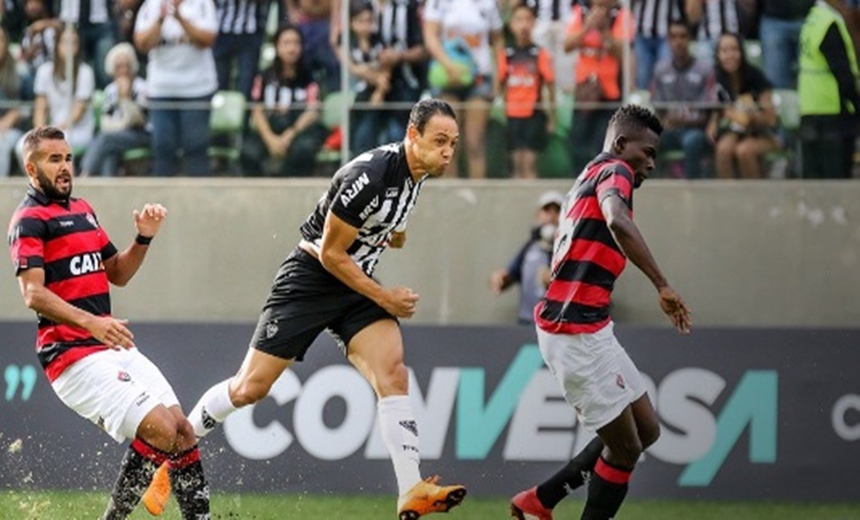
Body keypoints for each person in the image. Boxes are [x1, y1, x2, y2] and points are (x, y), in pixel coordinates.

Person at [145, 98, 467, 519]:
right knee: (249, 388)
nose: (447, 151)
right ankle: (174, 455)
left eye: (453, 143)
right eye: (439, 141)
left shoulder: (417, 174)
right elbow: (331, 254)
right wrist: (385, 297)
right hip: (311, 279)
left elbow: (392, 226)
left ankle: (411, 489)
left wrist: (390, 236)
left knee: (393, 373)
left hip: (355, 284)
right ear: (412, 135)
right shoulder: (368, 176)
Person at [7, 126, 210, 520]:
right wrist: (92, 323)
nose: (66, 167)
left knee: (182, 431)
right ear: (32, 170)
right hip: (71, 355)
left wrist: (143, 238)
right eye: (54, 159)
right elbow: (32, 293)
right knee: (162, 432)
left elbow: (118, 272)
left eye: (67, 158)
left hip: (109, 345)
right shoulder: (28, 219)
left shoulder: (83, 209)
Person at [509, 104, 692, 520]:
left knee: (646, 430)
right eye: (647, 153)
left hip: (590, 324)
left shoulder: (591, 170)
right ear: (621, 144)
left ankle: (542, 499)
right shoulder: (617, 171)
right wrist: (662, 283)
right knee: (625, 448)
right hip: (572, 329)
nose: (650, 164)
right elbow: (617, 220)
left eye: (655, 157)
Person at [134, 0, 218, 177]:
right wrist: (160, 20)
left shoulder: (203, 3)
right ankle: (162, 199)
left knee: (196, 147)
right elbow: (141, 43)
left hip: (197, 88)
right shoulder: (151, 5)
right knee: (163, 147)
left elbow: (208, 39)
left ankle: (201, 199)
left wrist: (180, 18)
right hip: (161, 89)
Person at [423, 0, 504, 178]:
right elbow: (430, 36)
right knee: (447, 142)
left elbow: (498, 41)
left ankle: (478, 199)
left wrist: (498, 82)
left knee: (475, 142)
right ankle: (450, 198)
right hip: (448, 78)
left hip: (479, 76)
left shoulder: (488, 3)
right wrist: (449, 66)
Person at [240, 23, 328, 177]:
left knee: (303, 151)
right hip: (271, 128)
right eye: (286, 43)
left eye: (296, 43)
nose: (291, 48)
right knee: (248, 152)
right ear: (276, 47)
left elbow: (313, 111)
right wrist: (270, 139)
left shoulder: (310, 76)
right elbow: (256, 109)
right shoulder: (264, 76)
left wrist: (290, 134)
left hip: (299, 130)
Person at [564, 0, 636, 174]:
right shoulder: (580, 13)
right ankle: (579, 186)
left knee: (604, 146)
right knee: (578, 144)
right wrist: (587, 27)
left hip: (610, 93)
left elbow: (623, 52)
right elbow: (567, 45)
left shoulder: (621, 16)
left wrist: (604, 30)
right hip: (585, 93)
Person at [15, 25, 95, 167]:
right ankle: (37, 184)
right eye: (65, 42)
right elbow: (40, 106)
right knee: (23, 145)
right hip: (52, 128)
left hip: (76, 130)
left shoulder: (85, 72)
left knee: (55, 146)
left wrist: (54, 131)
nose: (69, 47)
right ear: (57, 45)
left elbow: (78, 111)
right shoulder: (44, 71)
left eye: (74, 42)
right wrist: (40, 131)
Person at [798, 0, 860, 179]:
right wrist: (856, 105)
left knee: (813, 183)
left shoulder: (812, 19)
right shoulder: (829, 24)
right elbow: (842, 72)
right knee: (836, 182)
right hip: (832, 113)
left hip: (810, 109)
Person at [650, 19, 717, 178]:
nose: (678, 42)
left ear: (690, 39)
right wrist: (662, 122)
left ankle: (692, 192)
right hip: (670, 130)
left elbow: (709, 112)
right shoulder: (661, 70)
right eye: (673, 37)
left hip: (696, 130)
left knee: (691, 142)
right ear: (668, 40)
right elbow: (658, 108)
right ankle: (655, 190)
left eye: (683, 36)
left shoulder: (705, 70)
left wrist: (682, 121)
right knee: (648, 141)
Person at [708, 32, 780, 179]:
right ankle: (729, 197)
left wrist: (750, 116)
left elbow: (771, 118)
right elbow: (718, 110)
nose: (730, 55)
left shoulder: (756, 77)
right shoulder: (716, 79)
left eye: (734, 49)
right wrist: (713, 123)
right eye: (724, 51)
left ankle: (754, 199)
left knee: (744, 151)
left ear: (741, 52)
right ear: (718, 55)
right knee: (723, 149)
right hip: (734, 130)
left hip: (765, 132)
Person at [497, 3, 556, 180]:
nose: (523, 25)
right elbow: (500, 85)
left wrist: (552, 118)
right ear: (511, 25)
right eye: (518, 20)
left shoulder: (539, 53)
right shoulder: (506, 54)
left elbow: (550, 85)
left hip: (534, 114)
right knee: (516, 165)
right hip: (512, 115)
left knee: (529, 164)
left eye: (528, 20)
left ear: (534, 24)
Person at [489, 190, 563, 325]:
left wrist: (558, 283)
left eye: (557, 211)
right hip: (528, 323)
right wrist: (500, 279)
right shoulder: (530, 247)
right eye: (547, 210)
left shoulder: (573, 249)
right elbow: (512, 273)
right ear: (538, 215)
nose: (552, 216)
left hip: (559, 326)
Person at [80, 42, 151, 177]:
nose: (123, 70)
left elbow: (138, 122)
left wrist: (125, 99)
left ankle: (85, 174)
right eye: (119, 67)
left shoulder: (142, 88)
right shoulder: (110, 90)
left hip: (141, 134)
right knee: (110, 151)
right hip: (117, 135)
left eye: (127, 66)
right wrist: (120, 126)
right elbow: (105, 121)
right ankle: (108, 186)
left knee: (106, 139)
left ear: (133, 67)